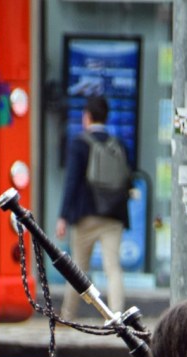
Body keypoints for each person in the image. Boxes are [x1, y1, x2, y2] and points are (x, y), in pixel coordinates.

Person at [55, 94, 129, 321]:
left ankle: (68, 315)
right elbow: (128, 178)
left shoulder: (79, 143)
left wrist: (63, 216)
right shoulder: (118, 144)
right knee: (113, 268)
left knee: (78, 269)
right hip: (114, 216)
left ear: (87, 116)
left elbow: (72, 181)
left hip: (85, 215)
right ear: (106, 117)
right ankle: (117, 316)